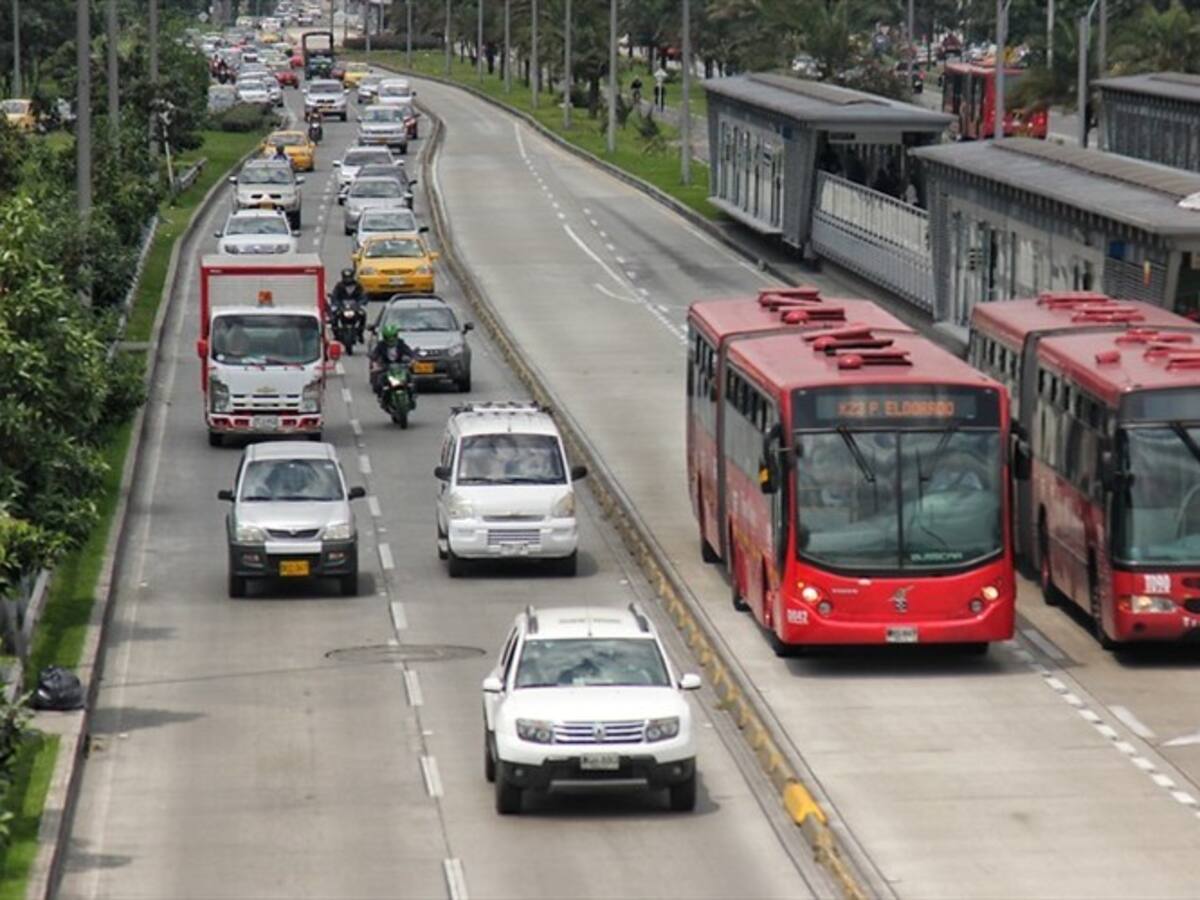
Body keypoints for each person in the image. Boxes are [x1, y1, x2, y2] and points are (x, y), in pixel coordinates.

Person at [369, 323, 416, 401]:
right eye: (388, 338)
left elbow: (409, 351)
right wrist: (375, 364)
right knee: (380, 379)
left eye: (393, 337)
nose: (391, 340)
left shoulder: (401, 343)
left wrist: (413, 359)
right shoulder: (381, 345)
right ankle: (381, 396)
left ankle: (412, 395)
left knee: (409, 376)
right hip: (386, 366)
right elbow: (375, 354)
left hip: (399, 365)